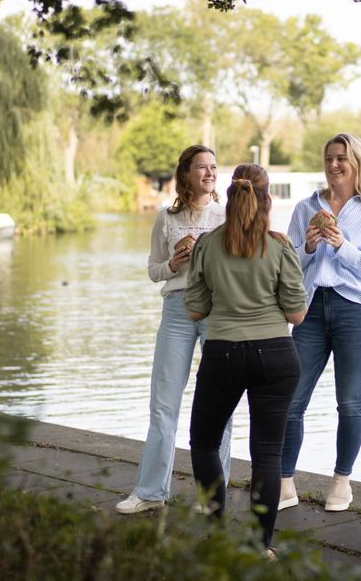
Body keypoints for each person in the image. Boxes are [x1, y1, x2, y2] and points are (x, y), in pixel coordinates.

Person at [185, 163, 308, 554]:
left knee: (204, 444)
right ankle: (261, 547)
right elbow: (296, 314)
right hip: (275, 355)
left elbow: (195, 310)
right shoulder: (279, 246)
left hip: (222, 354)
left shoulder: (207, 244)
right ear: (267, 197)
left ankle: (216, 537)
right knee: (267, 454)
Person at [116, 145, 234, 514]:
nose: (210, 173)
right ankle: (151, 492)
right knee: (163, 403)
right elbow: (153, 270)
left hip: (216, 309)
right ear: (185, 174)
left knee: (219, 406)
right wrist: (173, 263)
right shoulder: (167, 218)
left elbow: (240, 266)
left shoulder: (226, 215)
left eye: (214, 167)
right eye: (202, 167)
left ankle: (213, 497)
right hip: (177, 310)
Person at [278, 134, 361, 513]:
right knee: (291, 399)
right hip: (310, 310)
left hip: (355, 310)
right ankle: (285, 482)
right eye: (329, 158)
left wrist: (341, 245)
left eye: (342, 158)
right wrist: (307, 248)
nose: (334, 164)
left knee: (350, 402)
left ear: (357, 163)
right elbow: (287, 266)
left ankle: (342, 481)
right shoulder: (306, 207)